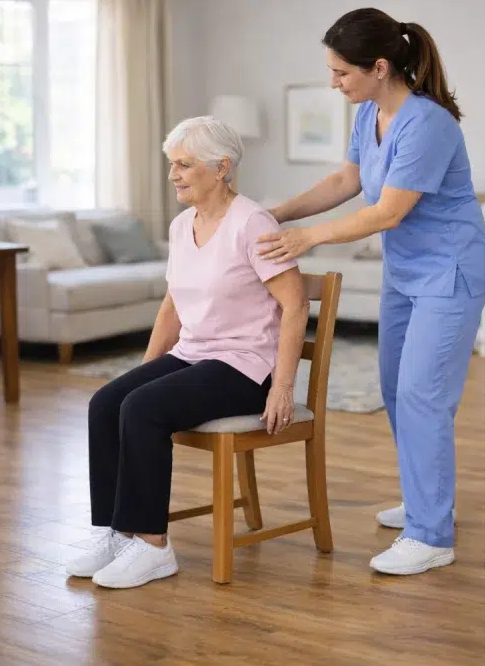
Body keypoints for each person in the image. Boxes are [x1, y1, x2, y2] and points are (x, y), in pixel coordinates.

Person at [256, 8, 485, 575]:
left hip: (451, 273)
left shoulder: (429, 123)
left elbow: (388, 212)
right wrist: (278, 214)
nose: (334, 83)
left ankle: (431, 535)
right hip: (406, 274)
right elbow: (347, 180)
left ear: (379, 67)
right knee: (394, 389)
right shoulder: (370, 114)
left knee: (421, 395)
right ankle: (425, 500)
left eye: (341, 72)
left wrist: (308, 238)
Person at [64, 116, 307, 589]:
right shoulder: (181, 226)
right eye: (171, 164)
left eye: (184, 164)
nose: (173, 174)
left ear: (221, 167)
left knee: (143, 408)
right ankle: (117, 532)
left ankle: (154, 547)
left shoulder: (252, 223)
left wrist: (282, 387)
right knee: (108, 402)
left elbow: (296, 304)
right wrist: (144, 372)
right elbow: (172, 307)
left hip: (246, 366)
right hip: (194, 353)